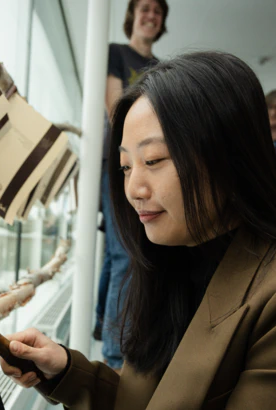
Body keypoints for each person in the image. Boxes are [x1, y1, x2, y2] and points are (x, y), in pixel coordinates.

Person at [0, 52, 276, 409]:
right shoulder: (174, 264)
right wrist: (67, 371)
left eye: (155, 159)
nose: (133, 189)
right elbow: (145, 400)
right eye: (125, 167)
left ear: (229, 156)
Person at [94, 0, 168, 371]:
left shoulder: (161, 68)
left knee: (117, 252)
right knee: (123, 252)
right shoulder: (116, 54)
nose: (151, 15)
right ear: (132, 17)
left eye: (158, 11)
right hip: (119, 162)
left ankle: (102, 331)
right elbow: (115, 108)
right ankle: (112, 354)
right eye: (145, 8)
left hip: (146, 163)